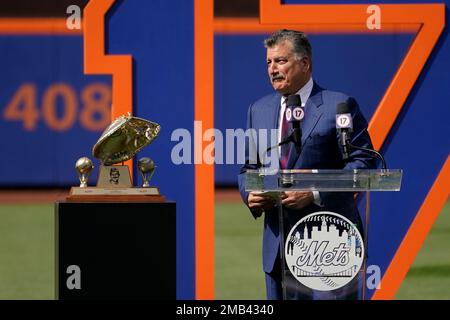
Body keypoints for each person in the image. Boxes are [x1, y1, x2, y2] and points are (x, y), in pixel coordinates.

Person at [237, 29, 376, 300]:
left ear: (305, 63)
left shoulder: (340, 105)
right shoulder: (258, 109)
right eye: (268, 62)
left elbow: (363, 163)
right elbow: (249, 169)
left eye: (280, 61)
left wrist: (314, 192)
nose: (272, 69)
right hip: (278, 248)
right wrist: (249, 194)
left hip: (331, 244)